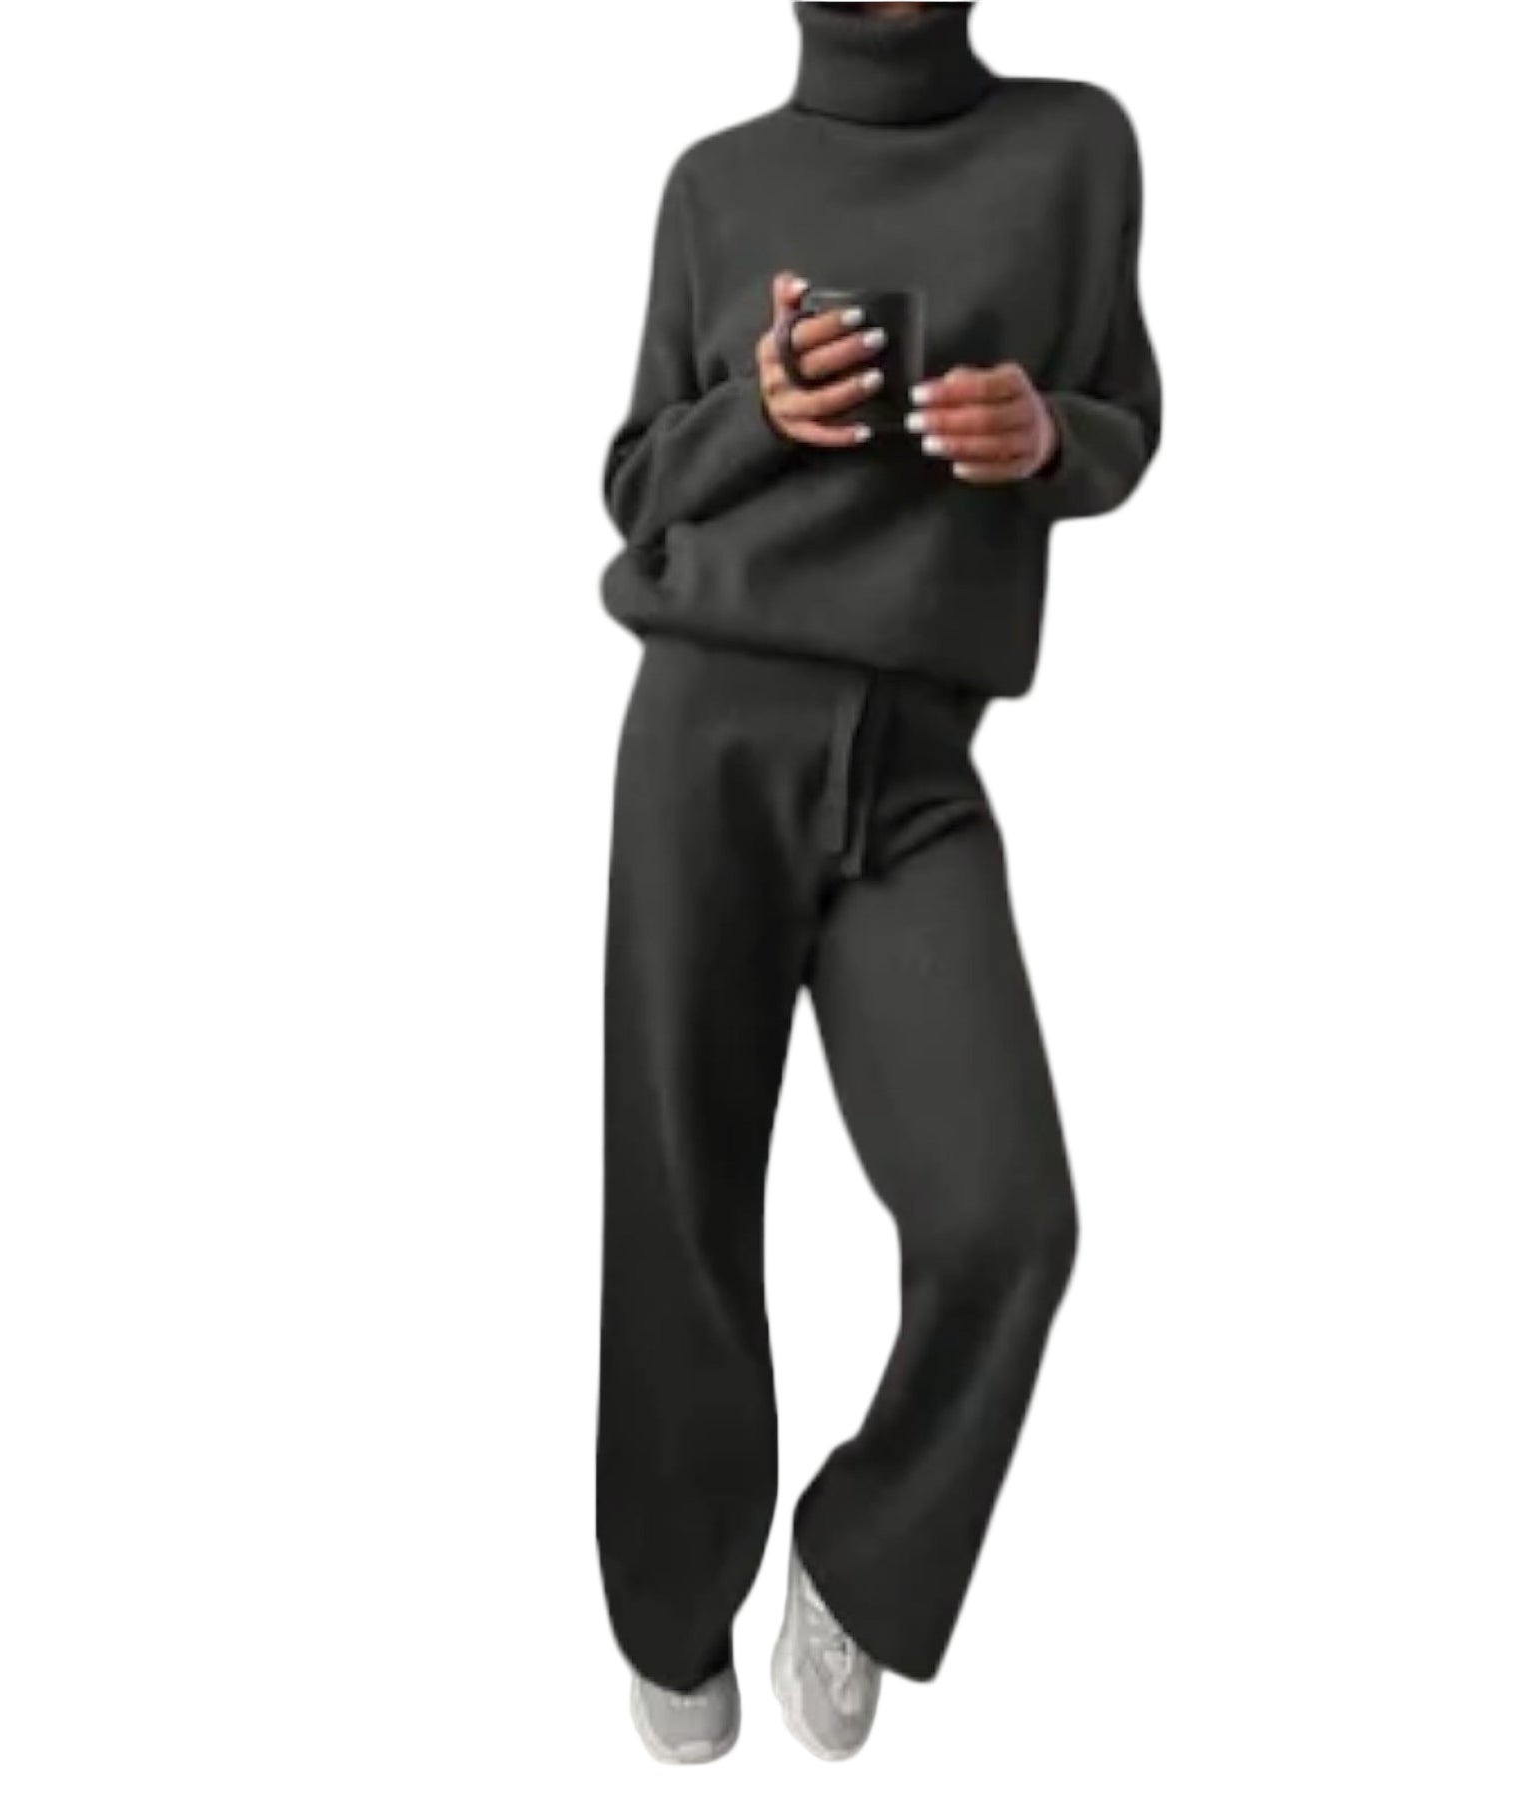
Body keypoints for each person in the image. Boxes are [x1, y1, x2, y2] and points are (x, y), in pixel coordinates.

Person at [597, 1, 1160, 1764]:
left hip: (917, 765)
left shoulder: (1075, 149)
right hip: (707, 737)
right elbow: (632, 484)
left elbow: (1127, 419)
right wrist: (757, 413)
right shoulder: (716, 185)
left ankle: (863, 1561)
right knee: (682, 1206)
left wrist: (1047, 439)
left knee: (1010, 1220)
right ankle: (669, 1609)